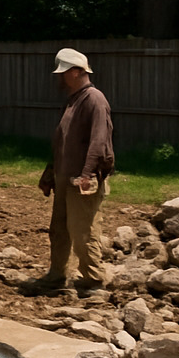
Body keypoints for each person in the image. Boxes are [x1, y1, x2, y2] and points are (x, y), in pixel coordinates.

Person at [30, 47, 114, 294]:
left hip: (82, 179)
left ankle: (94, 281)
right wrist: (50, 172)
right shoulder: (73, 101)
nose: (59, 78)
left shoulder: (94, 100)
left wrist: (87, 174)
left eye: (63, 72)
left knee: (83, 231)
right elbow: (61, 142)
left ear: (77, 71)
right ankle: (57, 275)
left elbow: (98, 142)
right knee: (59, 229)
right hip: (66, 178)